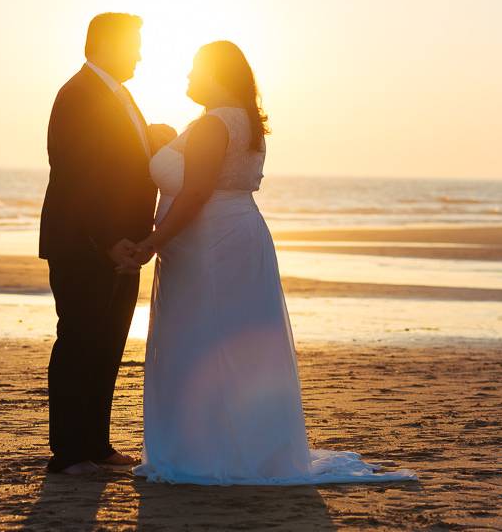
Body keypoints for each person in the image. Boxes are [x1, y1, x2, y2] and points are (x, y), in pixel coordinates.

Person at [131, 41, 417, 485]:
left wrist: (152, 240)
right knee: (229, 339)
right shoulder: (243, 121)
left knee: (203, 340)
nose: (187, 77)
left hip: (210, 245)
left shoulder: (212, 124)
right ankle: (239, 444)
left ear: (216, 76)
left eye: (194, 70)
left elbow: (195, 193)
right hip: (237, 234)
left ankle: (207, 452)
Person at [38, 13, 173, 475]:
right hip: (84, 245)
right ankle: (69, 454)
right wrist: (109, 241)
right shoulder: (78, 96)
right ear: (106, 45)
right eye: (133, 44)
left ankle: (96, 446)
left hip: (123, 247)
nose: (139, 54)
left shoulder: (119, 94)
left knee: (109, 344)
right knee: (78, 341)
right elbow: (78, 179)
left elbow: (123, 165)